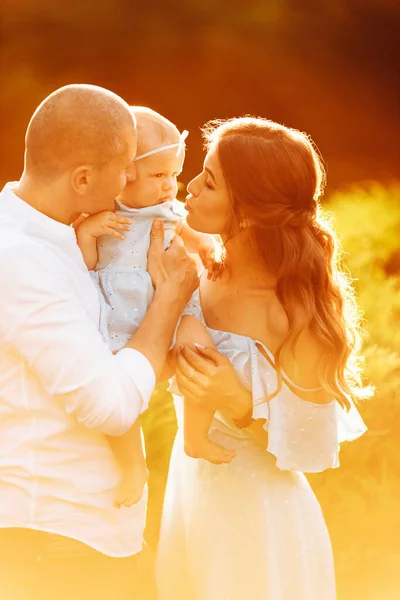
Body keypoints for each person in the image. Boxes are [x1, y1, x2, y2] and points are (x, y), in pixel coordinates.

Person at [156, 117, 372, 600]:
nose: (189, 187)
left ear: (250, 211)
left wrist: (237, 400)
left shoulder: (292, 308)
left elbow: (313, 445)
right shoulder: (200, 269)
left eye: (208, 181)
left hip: (258, 521)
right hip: (192, 495)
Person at [0, 84, 198, 600]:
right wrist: (169, 302)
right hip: (56, 545)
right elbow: (109, 406)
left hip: (96, 538)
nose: (130, 177)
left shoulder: (68, 237)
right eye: (125, 165)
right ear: (84, 178)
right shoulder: (21, 260)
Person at [75, 106, 224, 507]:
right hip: (121, 318)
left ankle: (194, 432)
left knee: (200, 350)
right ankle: (132, 465)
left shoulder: (169, 211)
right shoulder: (100, 214)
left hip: (176, 306)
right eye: (160, 176)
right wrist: (88, 234)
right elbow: (85, 267)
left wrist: (207, 248)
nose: (170, 186)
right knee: (117, 387)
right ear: (125, 173)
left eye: (174, 175)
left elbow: (191, 235)